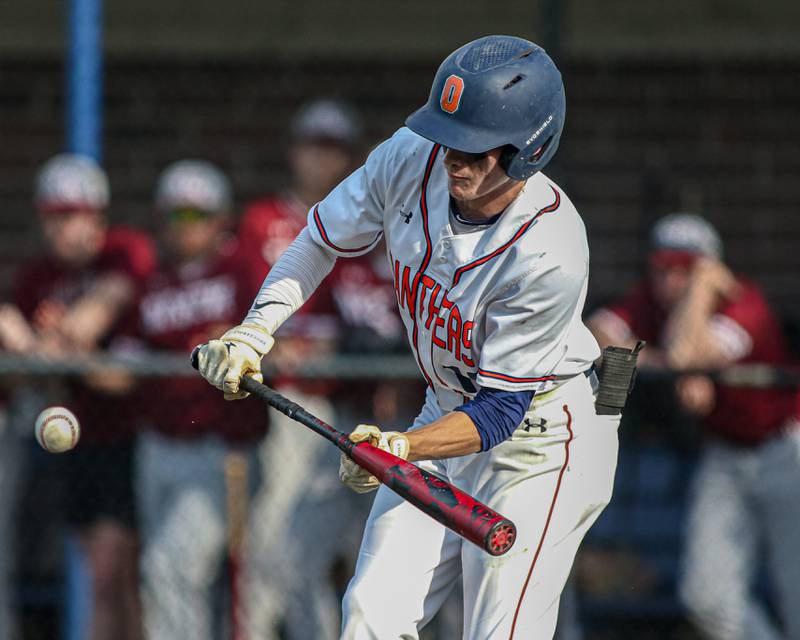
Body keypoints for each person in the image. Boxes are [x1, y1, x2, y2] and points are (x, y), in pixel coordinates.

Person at [196, 35, 622, 639]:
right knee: (371, 614)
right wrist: (254, 330)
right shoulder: (409, 155)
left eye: (477, 147)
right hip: (443, 408)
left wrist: (405, 449)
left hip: (540, 441)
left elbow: (500, 411)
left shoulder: (550, 248)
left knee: (500, 632)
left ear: (530, 148)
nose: (455, 159)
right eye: (449, 137)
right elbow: (319, 239)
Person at [587, 213, 800, 640]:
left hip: (786, 450)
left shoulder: (744, 302)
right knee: (706, 598)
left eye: (686, 269)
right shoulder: (650, 298)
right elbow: (593, 336)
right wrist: (669, 365)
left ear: (713, 272)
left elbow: (692, 354)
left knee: (796, 591)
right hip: (725, 453)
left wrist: (701, 296)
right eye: (662, 267)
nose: (670, 279)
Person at [9, 153, 155, 640]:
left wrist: (65, 344)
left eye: (71, 215)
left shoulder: (123, 253)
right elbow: (40, 367)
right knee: (106, 578)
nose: (60, 228)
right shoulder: (37, 276)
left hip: (125, 438)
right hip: (75, 444)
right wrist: (52, 349)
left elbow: (122, 378)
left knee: (115, 574)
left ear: (97, 217)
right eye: (52, 216)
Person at [236, 98, 365, 640]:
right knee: (272, 548)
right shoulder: (263, 219)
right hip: (286, 405)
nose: (320, 159)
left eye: (332, 148)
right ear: (295, 151)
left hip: (360, 407)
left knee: (349, 555)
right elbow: (242, 302)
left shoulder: (368, 224)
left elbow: (374, 314)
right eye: (313, 145)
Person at [132, 160, 267, 640]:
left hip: (222, 449)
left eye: (197, 215)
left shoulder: (243, 270)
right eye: (175, 215)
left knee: (172, 567)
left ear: (220, 219)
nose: (185, 227)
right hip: (159, 445)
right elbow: (130, 357)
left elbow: (283, 341)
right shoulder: (151, 276)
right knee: (173, 575)